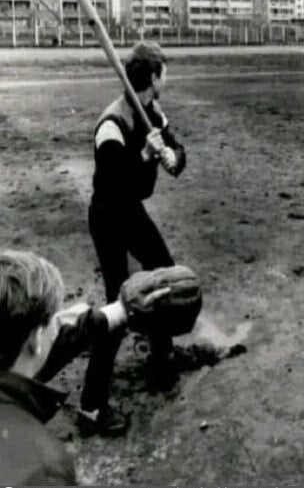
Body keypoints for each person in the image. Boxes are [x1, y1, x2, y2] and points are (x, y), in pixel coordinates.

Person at [79, 42, 186, 436]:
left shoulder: (153, 111)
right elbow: (113, 182)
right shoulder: (112, 124)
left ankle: (161, 355)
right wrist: (142, 156)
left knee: (163, 273)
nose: (166, 78)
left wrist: (172, 157)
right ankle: (91, 406)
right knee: (118, 303)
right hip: (108, 215)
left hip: (130, 211)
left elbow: (175, 147)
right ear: (153, 77)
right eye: (164, 72)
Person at [0, 249, 135, 485]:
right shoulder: (43, 468)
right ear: (35, 339)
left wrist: (119, 311)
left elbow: (58, 338)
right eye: (53, 319)